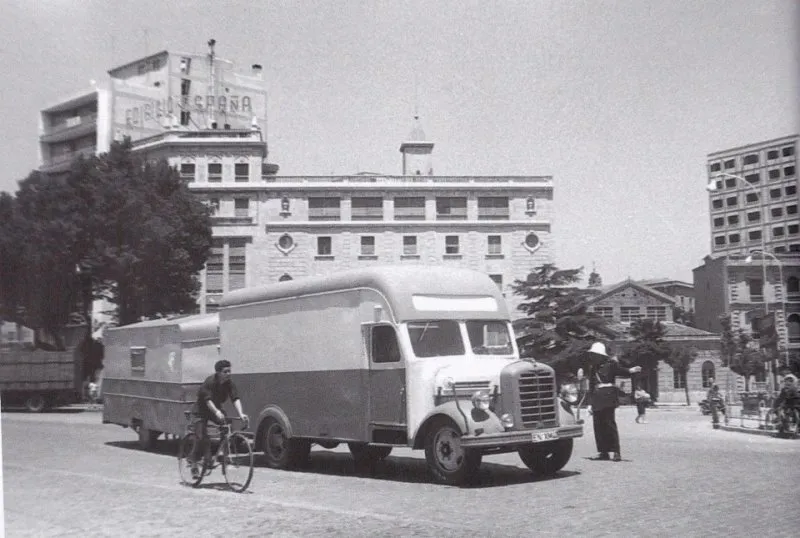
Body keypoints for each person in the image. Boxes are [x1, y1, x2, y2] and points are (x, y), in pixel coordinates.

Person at [190, 359, 249, 478]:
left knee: (227, 425)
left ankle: (223, 454)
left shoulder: (229, 384)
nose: (228, 374)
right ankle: (194, 463)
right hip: (200, 411)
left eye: (229, 371)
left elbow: (235, 398)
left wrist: (241, 413)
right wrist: (217, 412)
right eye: (225, 372)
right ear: (218, 372)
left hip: (215, 410)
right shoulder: (210, 382)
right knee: (201, 437)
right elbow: (207, 400)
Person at [584, 342, 642, 462]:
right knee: (598, 426)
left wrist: (631, 370)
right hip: (597, 398)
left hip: (608, 397)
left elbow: (622, 371)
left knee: (610, 425)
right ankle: (603, 452)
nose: (593, 357)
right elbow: (591, 386)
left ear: (601, 355)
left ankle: (616, 451)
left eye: (595, 354)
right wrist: (589, 403)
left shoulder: (611, 365)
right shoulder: (593, 368)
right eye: (593, 354)